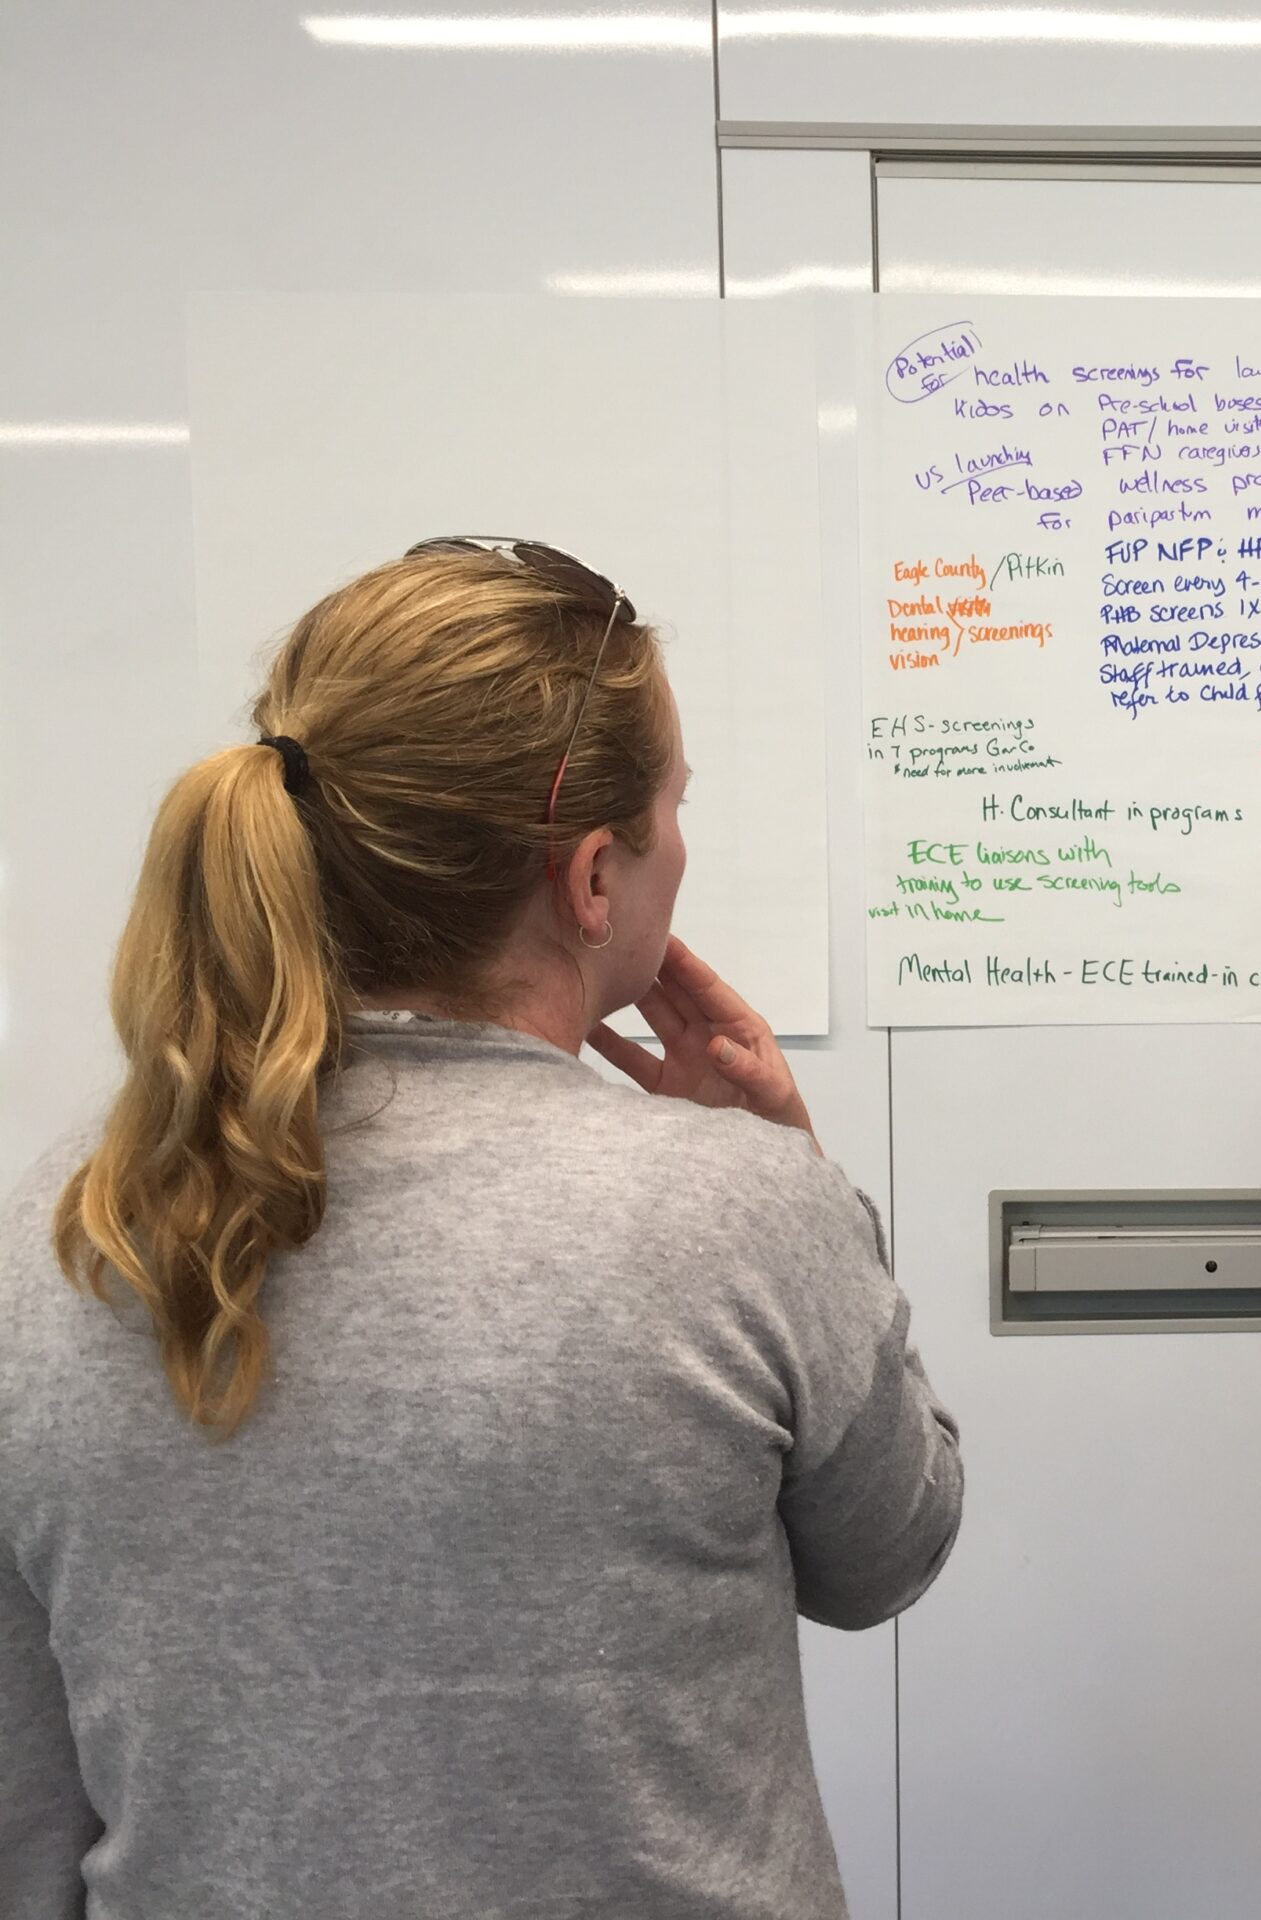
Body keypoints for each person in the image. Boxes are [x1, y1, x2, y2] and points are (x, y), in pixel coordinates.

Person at [0, 540, 961, 1919]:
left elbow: (31, 1795)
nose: (679, 843)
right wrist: (783, 1172)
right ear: (590, 880)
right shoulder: (738, 1212)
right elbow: (888, 1558)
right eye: (672, 807)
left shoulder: (64, 1226)